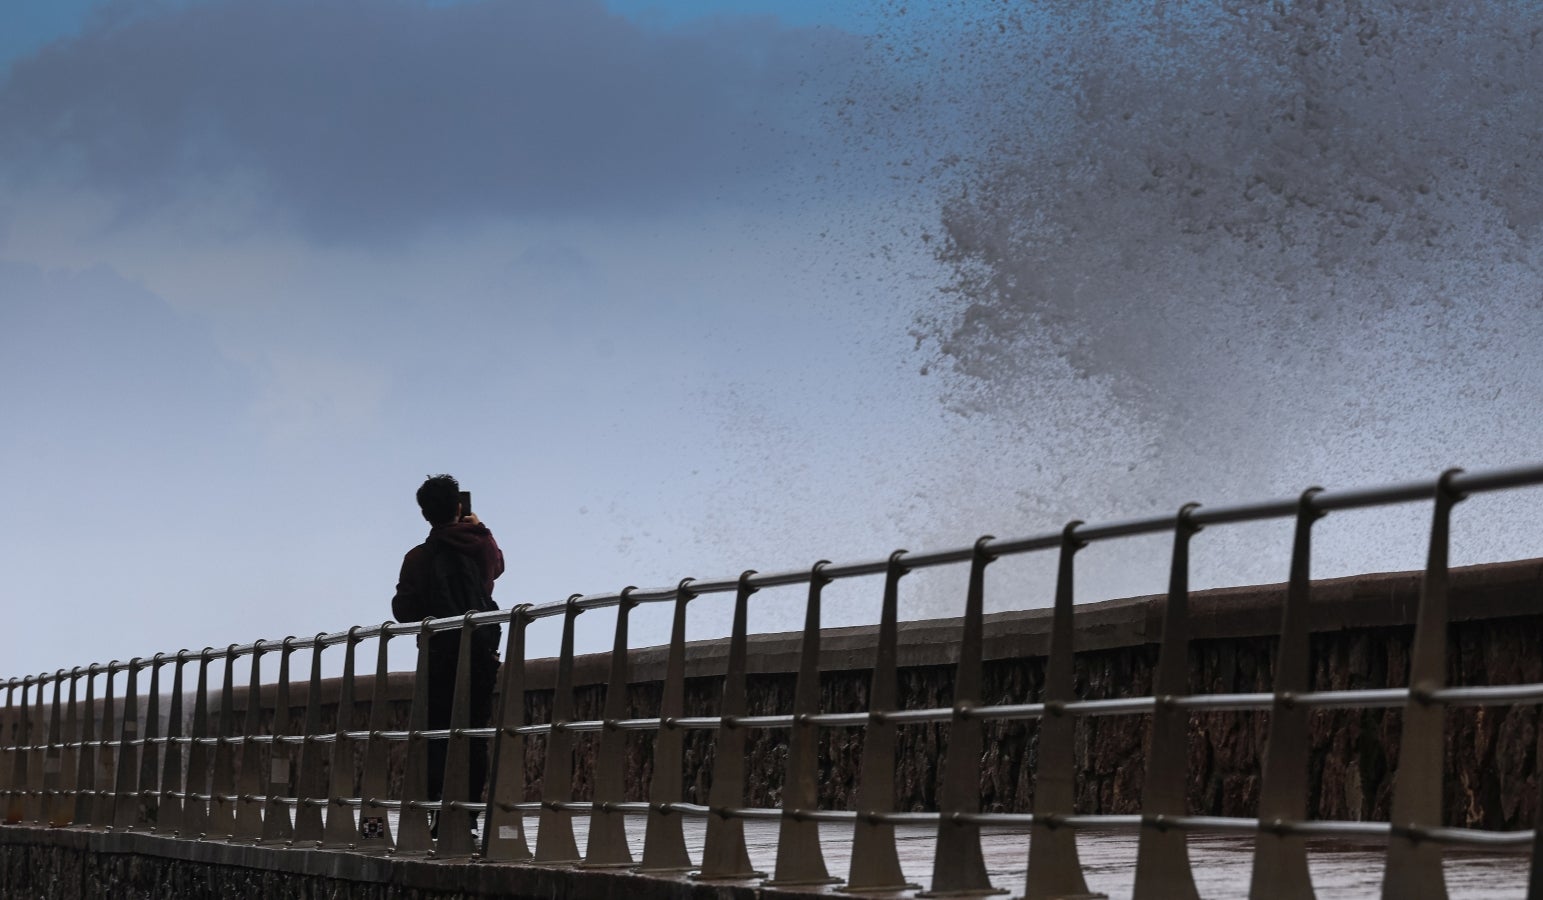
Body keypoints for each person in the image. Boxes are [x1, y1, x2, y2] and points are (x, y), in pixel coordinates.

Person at [391, 474, 504, 833]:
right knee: (473, 733)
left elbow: (404, 610)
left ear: (425, 514)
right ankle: (468, 817)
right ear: (459, 506)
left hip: (440, 655)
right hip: (480, 653)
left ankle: (439, 811)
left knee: (438, 733)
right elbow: (497, 567)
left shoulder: (418, 558)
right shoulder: (480, 545)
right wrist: (480, 526)